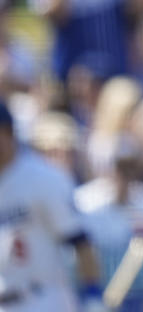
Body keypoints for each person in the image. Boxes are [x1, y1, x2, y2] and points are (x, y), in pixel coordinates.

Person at [0, 102, 103, 311]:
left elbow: (81, 243)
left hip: (42, 299)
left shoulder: (43, 178)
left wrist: (93, 296)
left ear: (8, 133)